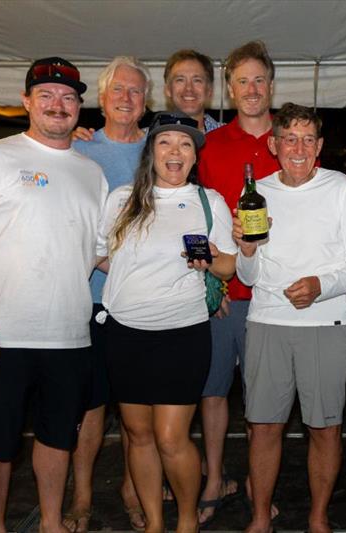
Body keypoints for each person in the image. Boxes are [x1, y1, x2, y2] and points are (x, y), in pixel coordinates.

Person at [0, 57, 107, 533]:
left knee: (57, 440)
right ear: (26, 102)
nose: (59, 105)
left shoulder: (90, 173)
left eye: (69, 97)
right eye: (47, 95)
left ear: (79, 107)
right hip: (0, 336)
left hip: (70, 336)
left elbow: (99, 255)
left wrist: (168, 265)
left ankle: (51, 523)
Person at [234, 103, 346, 533]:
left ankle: (318, 517)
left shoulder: (341, 189)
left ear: (320, 147)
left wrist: (321, 285)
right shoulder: (256, 194)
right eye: (290, 138)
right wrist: (248, 249)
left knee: (325, 428)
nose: (299, 147)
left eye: (308, 139)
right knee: (263, 428)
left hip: (325, 324)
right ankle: (260, 517)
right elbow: (246, 275)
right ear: (273, 144)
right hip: (267, 321)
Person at [95, 111, 236, 533]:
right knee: (137, 435)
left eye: (185, 145)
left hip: (182, 334)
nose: (175, 152)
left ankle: (187, 520)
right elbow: (102, 254)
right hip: (124, 334)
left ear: (195, 156)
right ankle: (155, 522)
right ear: (151, 151)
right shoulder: (121, 198)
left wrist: (210, 258)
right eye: (165, 143)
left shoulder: (209, 203)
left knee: (172, 438)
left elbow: (229, 268)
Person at [64, 55, 151, 533]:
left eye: (135, 91)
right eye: (117, 89)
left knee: (139, 409)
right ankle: (81, 498)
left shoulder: (160, 150)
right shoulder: (78, 151)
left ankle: (133, 489)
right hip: (94, 300)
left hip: (145, 303)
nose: (125, 97)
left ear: (145, 102)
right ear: (101, 98)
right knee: (92, 407)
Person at [196, 40, 281, 525]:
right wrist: (213, 284)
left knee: (262, 402)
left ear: (271, 85)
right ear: (230, 88)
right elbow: (199, 217)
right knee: (212, 392)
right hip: (225, 296)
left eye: (259, 80)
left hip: (273, 297)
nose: (251, 89)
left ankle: (258, 483)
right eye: (242, 81)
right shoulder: (210, 144)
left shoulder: (288, 141)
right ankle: (212, 478)